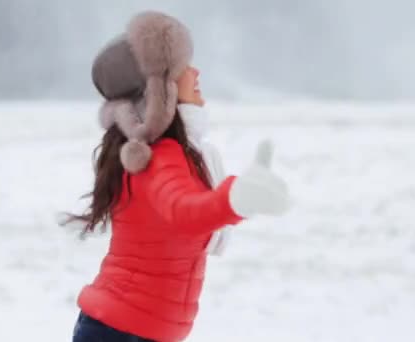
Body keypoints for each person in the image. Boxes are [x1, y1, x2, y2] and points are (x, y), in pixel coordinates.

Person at [64, 11, 290, 342]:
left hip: (121, 327)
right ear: (159, 89)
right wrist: (235, 198)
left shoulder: (159, 150)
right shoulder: (160, 156)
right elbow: (184, 212)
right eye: (184, 67)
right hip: (124, 332)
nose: (196, 72)